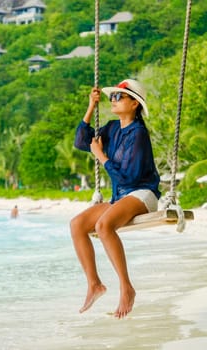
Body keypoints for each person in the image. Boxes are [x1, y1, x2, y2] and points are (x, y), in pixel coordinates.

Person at [70, 79, 161, 319]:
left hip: (142, 193)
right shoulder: (111, 128)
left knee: (103, 226)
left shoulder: (138, 134)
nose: (113, 100)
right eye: (112, 97)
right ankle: (95, 284)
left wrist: (101, 156)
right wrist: (91, 107)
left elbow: (129, 177)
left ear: (134, 104)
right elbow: (82, 142)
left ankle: (126, 287)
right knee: (77, 225)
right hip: (121, 196)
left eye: (120, 97)